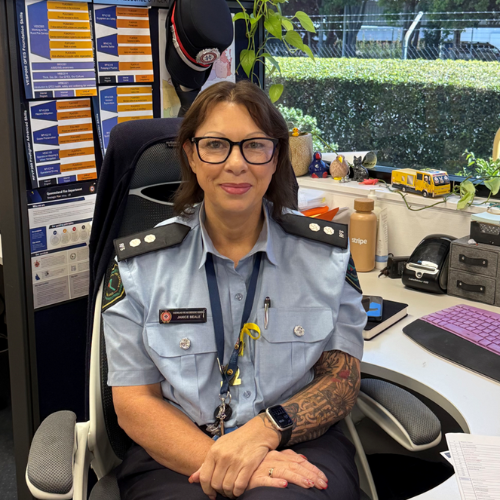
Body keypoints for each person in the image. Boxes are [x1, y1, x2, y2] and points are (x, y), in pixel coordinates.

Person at [102, 80, 367, 500]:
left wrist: (265, 431)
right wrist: (229, 458)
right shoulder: (140, 265)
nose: (236, 164)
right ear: (191, 153)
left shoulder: (326, 257)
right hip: (176, 450)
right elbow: (135, 404)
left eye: (255, 145)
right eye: (216, 145)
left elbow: (341, 380)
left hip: (296, 442)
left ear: (275, 155)